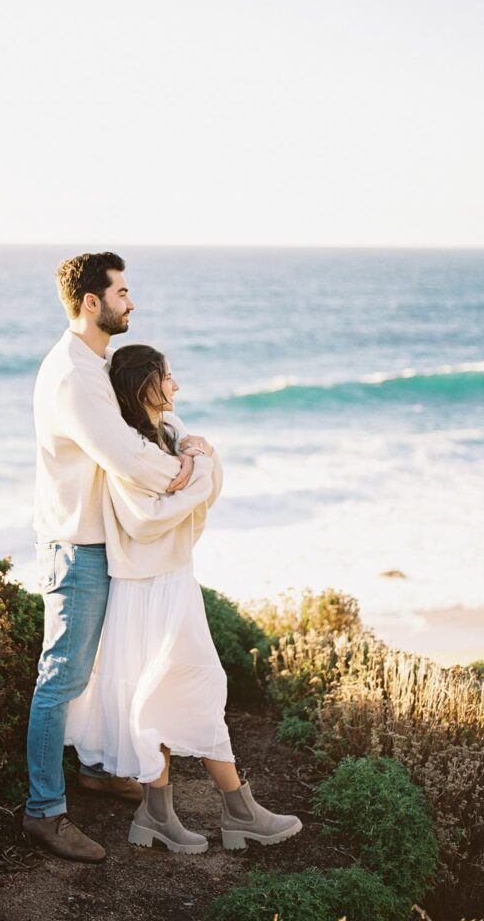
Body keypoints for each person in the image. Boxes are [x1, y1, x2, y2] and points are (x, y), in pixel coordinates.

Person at [64, 344, 303, 853]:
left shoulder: (169, 436)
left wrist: (198, 465)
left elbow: (208, 487)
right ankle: (234, 812)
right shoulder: (127, 449)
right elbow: (148, 518)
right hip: (145, 589)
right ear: (141, 388)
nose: (176, 386)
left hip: (174, 580)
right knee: (183, 686)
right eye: (166, 377)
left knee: (177, 689)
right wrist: (200, 463)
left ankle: (163, 814)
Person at [23, 251, 199, 863]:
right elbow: (123, 453)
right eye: (122, 292)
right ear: (91, 302)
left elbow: (132, 425)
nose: (132, 302)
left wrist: (174, 437)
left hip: (102, 541)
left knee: (99, 673)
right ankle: (44, 812)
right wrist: (178, 471)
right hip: (77, 545)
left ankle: (96, 771)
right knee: (61, 678)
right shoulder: (73, 374)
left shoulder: (94, 367)